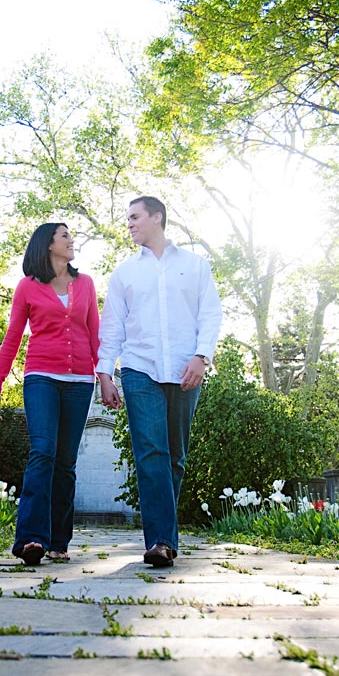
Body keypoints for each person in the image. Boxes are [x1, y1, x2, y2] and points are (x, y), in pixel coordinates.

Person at [97, 196, 222, 568]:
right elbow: (112, 325)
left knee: (175, 457)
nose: (130, 224)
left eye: (135, 217)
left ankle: (164, 534)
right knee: (151, 452)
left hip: (187, 370)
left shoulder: (195, 266)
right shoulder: (124, 273)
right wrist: (105, 373)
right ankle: (161, 542)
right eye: (128, 218)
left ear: (157, 217)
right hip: (139, 369)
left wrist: (202, 357)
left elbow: (211, 313)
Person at [0, 222, 100, 566]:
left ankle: (57, 540)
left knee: (66, 462)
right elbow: (12, 338)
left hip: (81, 381)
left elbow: (95, 334)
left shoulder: (85, 284)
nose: (71, 241)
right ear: (48, 244)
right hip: (41, 378)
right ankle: (31, 538)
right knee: (43, 453)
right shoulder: (27, 287)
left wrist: (106, 377)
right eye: (65, 235)